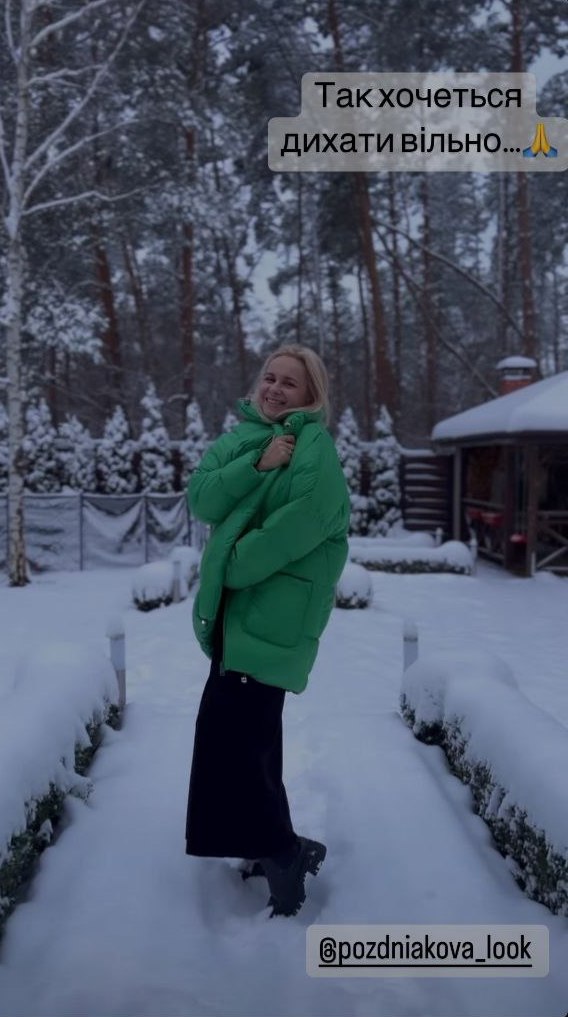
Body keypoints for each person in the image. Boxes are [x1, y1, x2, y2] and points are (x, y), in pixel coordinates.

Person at [185, 344, 350, 917]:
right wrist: (257, 465)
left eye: (290, 383)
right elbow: (203, 498)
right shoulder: (243, 439)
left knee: (239, 746)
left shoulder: (314, 447)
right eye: (270, 378)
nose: (275, 389)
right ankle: (268, 842)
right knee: (241, 745)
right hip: (238, 619)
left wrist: (231, 563)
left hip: (269, 618)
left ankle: (283, 858)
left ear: (311, 395)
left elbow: (303, 521)